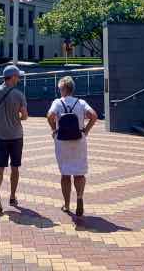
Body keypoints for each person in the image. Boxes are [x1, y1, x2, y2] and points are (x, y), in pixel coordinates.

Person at [47, 76, 98, 216]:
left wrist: (54, 130)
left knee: (65, 174)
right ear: (72, 89)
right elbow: (93, 115)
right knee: (79, 173)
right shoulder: (81, 103)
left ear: (63, 89)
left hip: (62, 141)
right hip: (79, 140)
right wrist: (85, 131)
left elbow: (49, 116)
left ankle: (67, 204)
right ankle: (80, 197)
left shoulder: (57, 103)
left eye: (60, 89)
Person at [0, 64, 28, 213]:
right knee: (15, 167)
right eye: (17, 76)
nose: (19, 79)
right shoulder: (19, 94)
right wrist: (16, 115)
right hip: (16, 136)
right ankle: (12, 196)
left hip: (0, 135)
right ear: (12, 77)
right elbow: (25, 116)